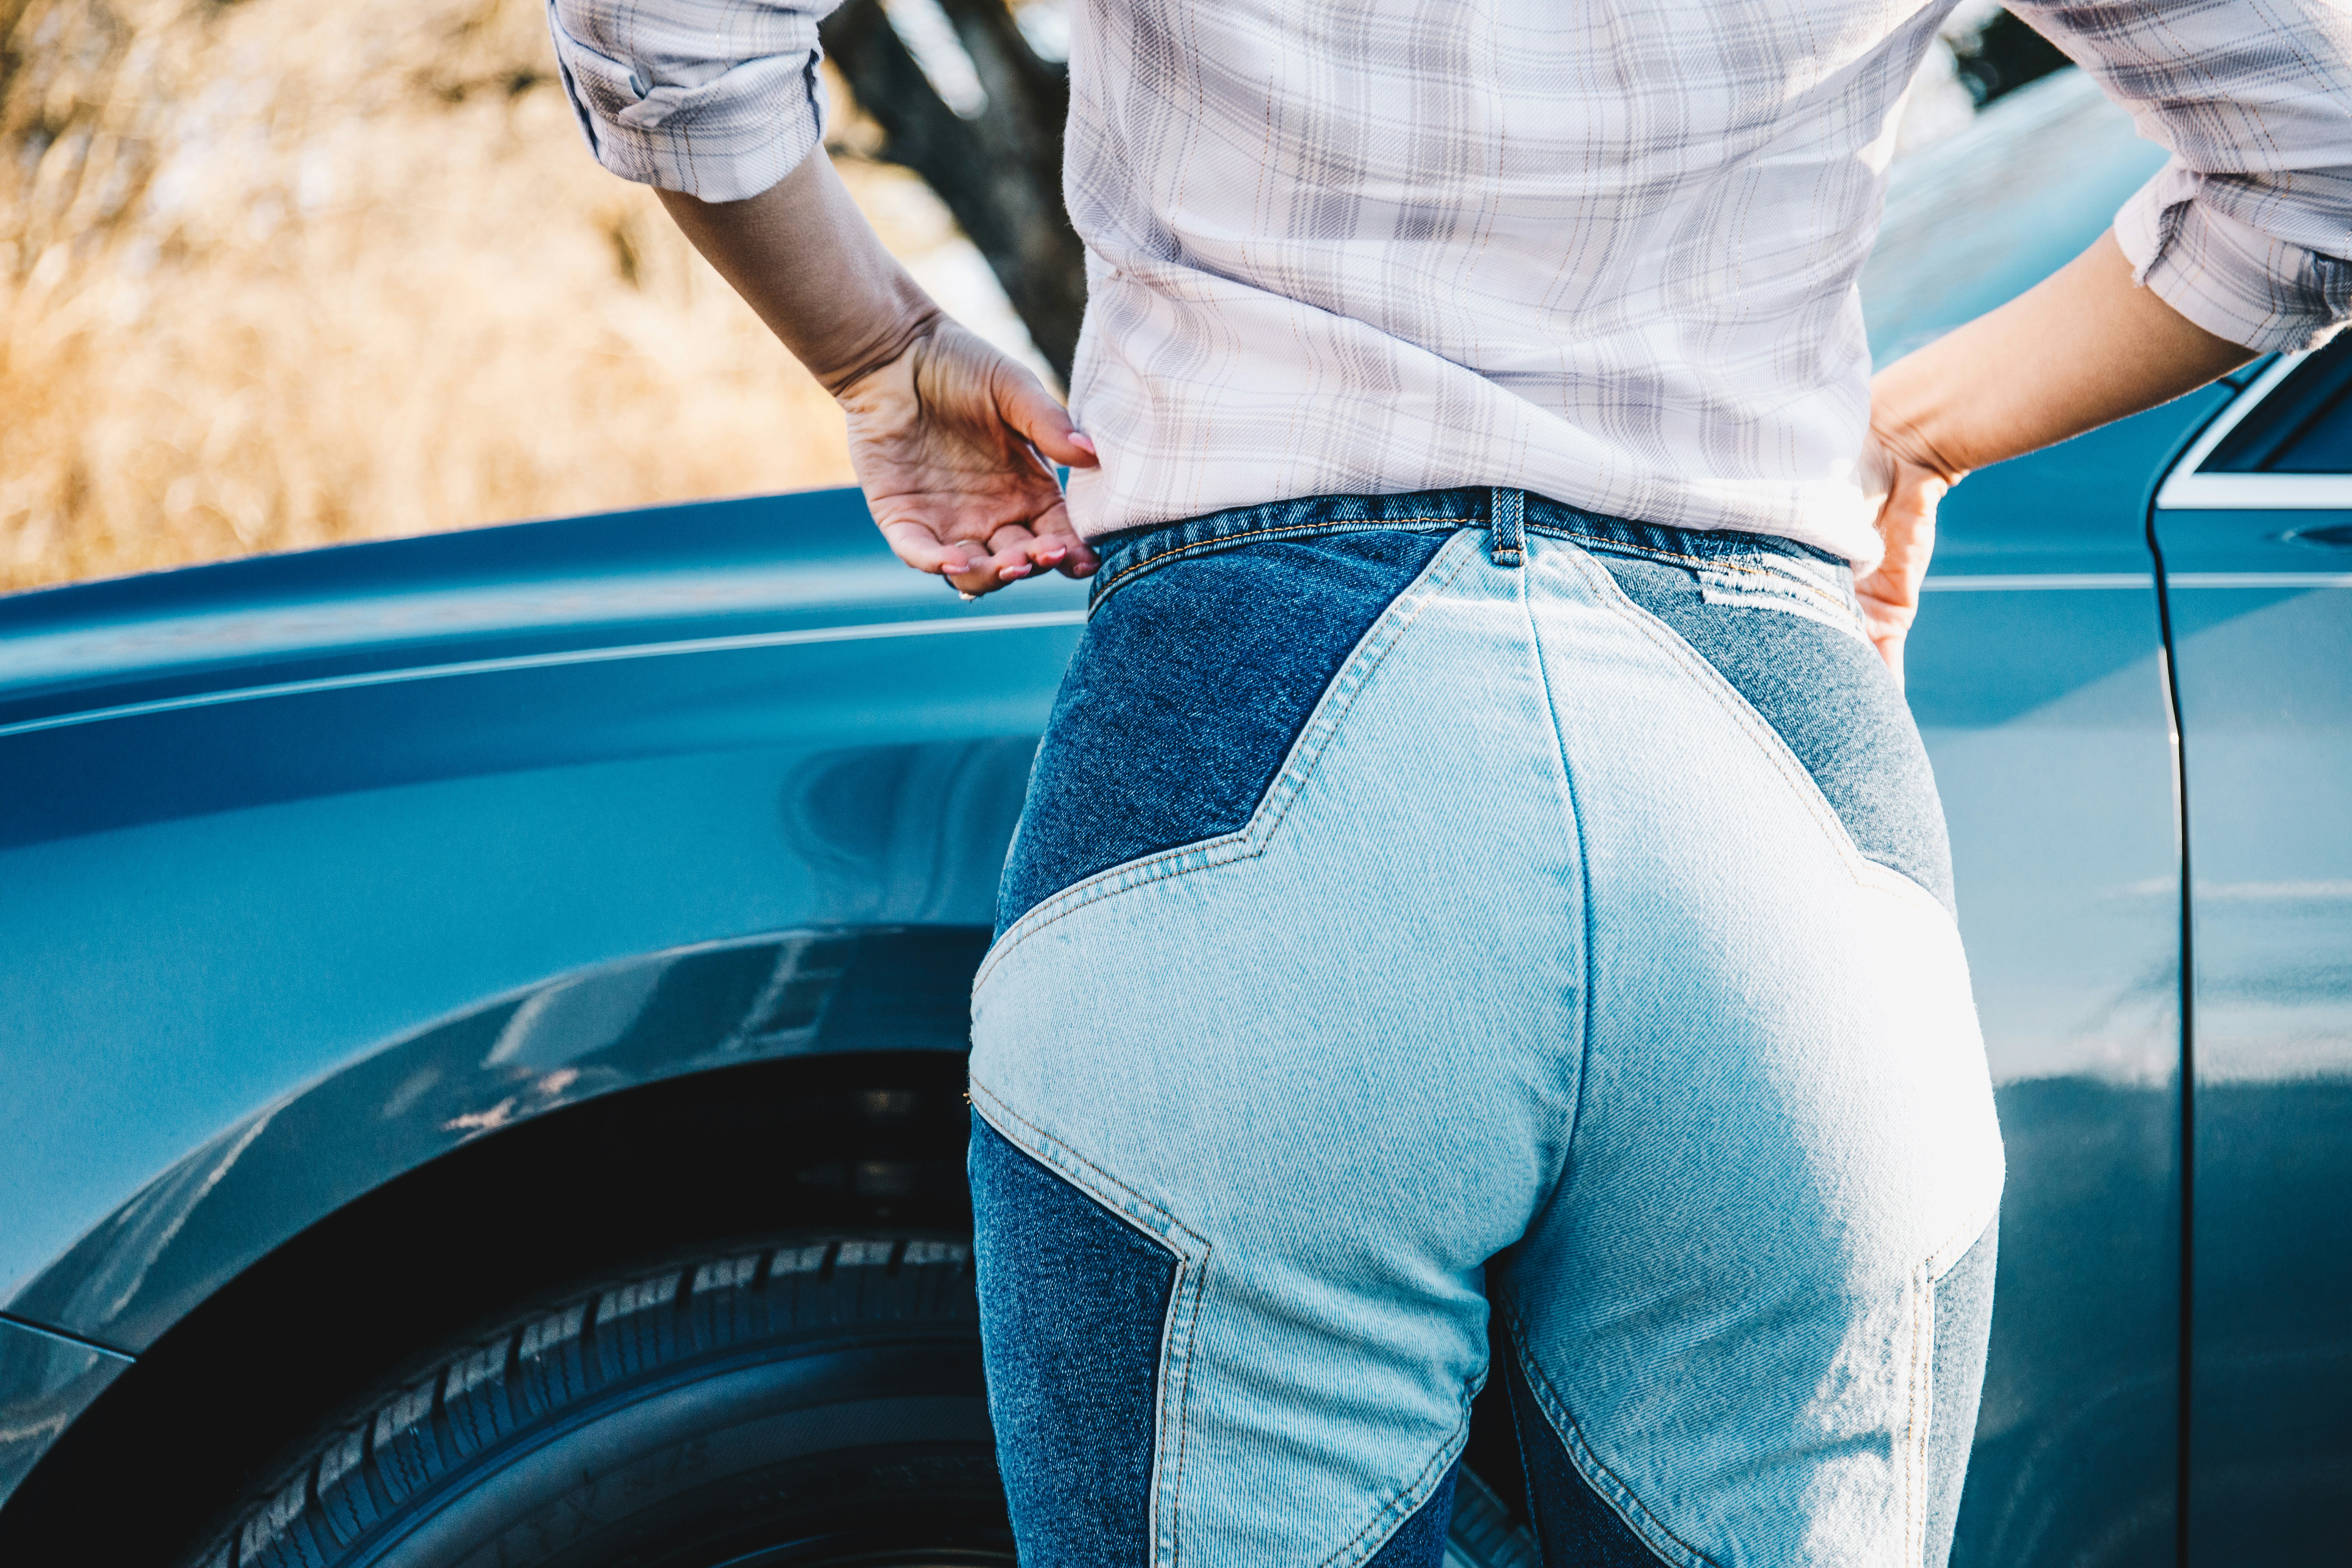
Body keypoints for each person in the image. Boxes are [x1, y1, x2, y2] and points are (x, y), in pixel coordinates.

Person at [545, 1, 2350, 1562]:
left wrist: (880, 352)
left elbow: (673, 39)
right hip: (1777, 807)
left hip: (1248, 761)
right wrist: (1914, 426)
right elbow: (2323, 161)